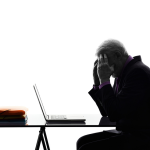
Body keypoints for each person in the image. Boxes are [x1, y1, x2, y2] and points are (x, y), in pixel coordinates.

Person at [76, 39, 150, 150]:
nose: (103, 66)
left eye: (105, 60)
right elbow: (105, 112)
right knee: (82, 142)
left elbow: (114, 114)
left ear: (117, 55)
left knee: (86, 148)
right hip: (126, 131)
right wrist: (97, 83)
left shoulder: (137, 72)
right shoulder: (121, 72)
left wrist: (104, 79)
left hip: (141, 136)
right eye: (101, 61)